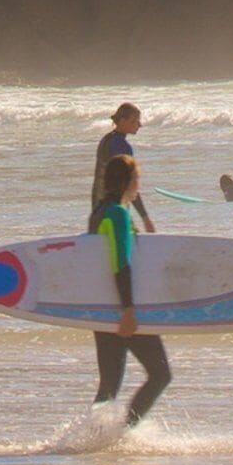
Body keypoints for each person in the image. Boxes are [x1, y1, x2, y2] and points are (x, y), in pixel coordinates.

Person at [89, 103, 170, 424]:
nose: (139, 186)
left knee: (110, 385)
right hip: (122, 309)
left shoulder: (98, 213)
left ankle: (91, 438)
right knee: (160, 374)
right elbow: (120, 264)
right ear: (127, 182)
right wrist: (128, 311)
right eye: (137, 179)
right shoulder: (118, 216)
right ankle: (124, 432)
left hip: (100, 308)